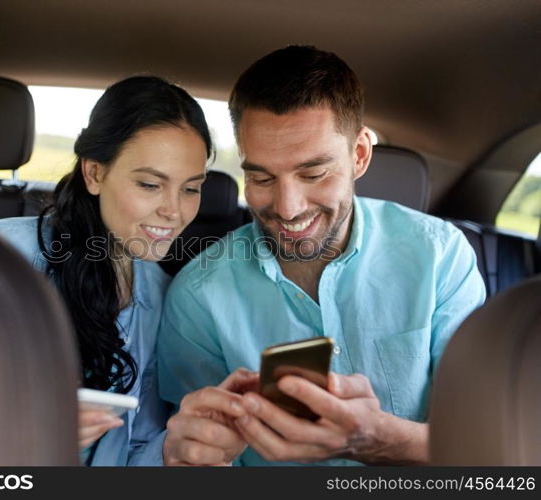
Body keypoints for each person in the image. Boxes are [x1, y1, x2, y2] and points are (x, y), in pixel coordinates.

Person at [157, 45, 486, 466]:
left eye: (313, 173)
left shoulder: (439, 256)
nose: (288, 207)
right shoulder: (198, 296)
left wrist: (377, 439)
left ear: (360, 155)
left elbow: (483, 445)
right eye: (260, 176)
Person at [0, 75, 213, 465]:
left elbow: (135, 445)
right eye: (149, 184)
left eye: (191, 188)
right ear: (94, 173)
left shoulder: (164, 297)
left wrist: (174, 451)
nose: (174, 211)